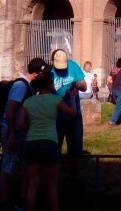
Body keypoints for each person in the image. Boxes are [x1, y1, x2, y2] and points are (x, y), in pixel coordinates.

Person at [15, 68, 76, 211]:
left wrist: (30, 126)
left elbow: (19, 123)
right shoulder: (55, 100)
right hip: (49, 142)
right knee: (52, 184)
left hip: (31, 142)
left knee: (33, 183)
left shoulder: (29, 101)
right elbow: (72, 113)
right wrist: (72, 97)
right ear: (49, 84)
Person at [0, 57, 46, 210]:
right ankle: (5, 201)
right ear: (37, 73)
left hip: (20, 130)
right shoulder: (21, 86)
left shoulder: (27, 85)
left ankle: (21, 199)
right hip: (12, 130)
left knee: (24, 166)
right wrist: (12, 134)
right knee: (8, 166)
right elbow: (10, 111)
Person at [49, 48, 87, 176]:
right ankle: (53, 177)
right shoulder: (49, 71)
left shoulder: (73, 66)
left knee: (75, 148)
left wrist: (78, 84)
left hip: (73, 115)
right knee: (54, 148)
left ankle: (74, 176)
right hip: (55, 116)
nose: (61, 69)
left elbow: (84, 85)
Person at [107, 57, 121, 126]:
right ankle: (112, 121)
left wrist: (110, 88)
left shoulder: (113, 70)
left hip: (114, 91)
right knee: (119, 106)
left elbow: (108, 80)